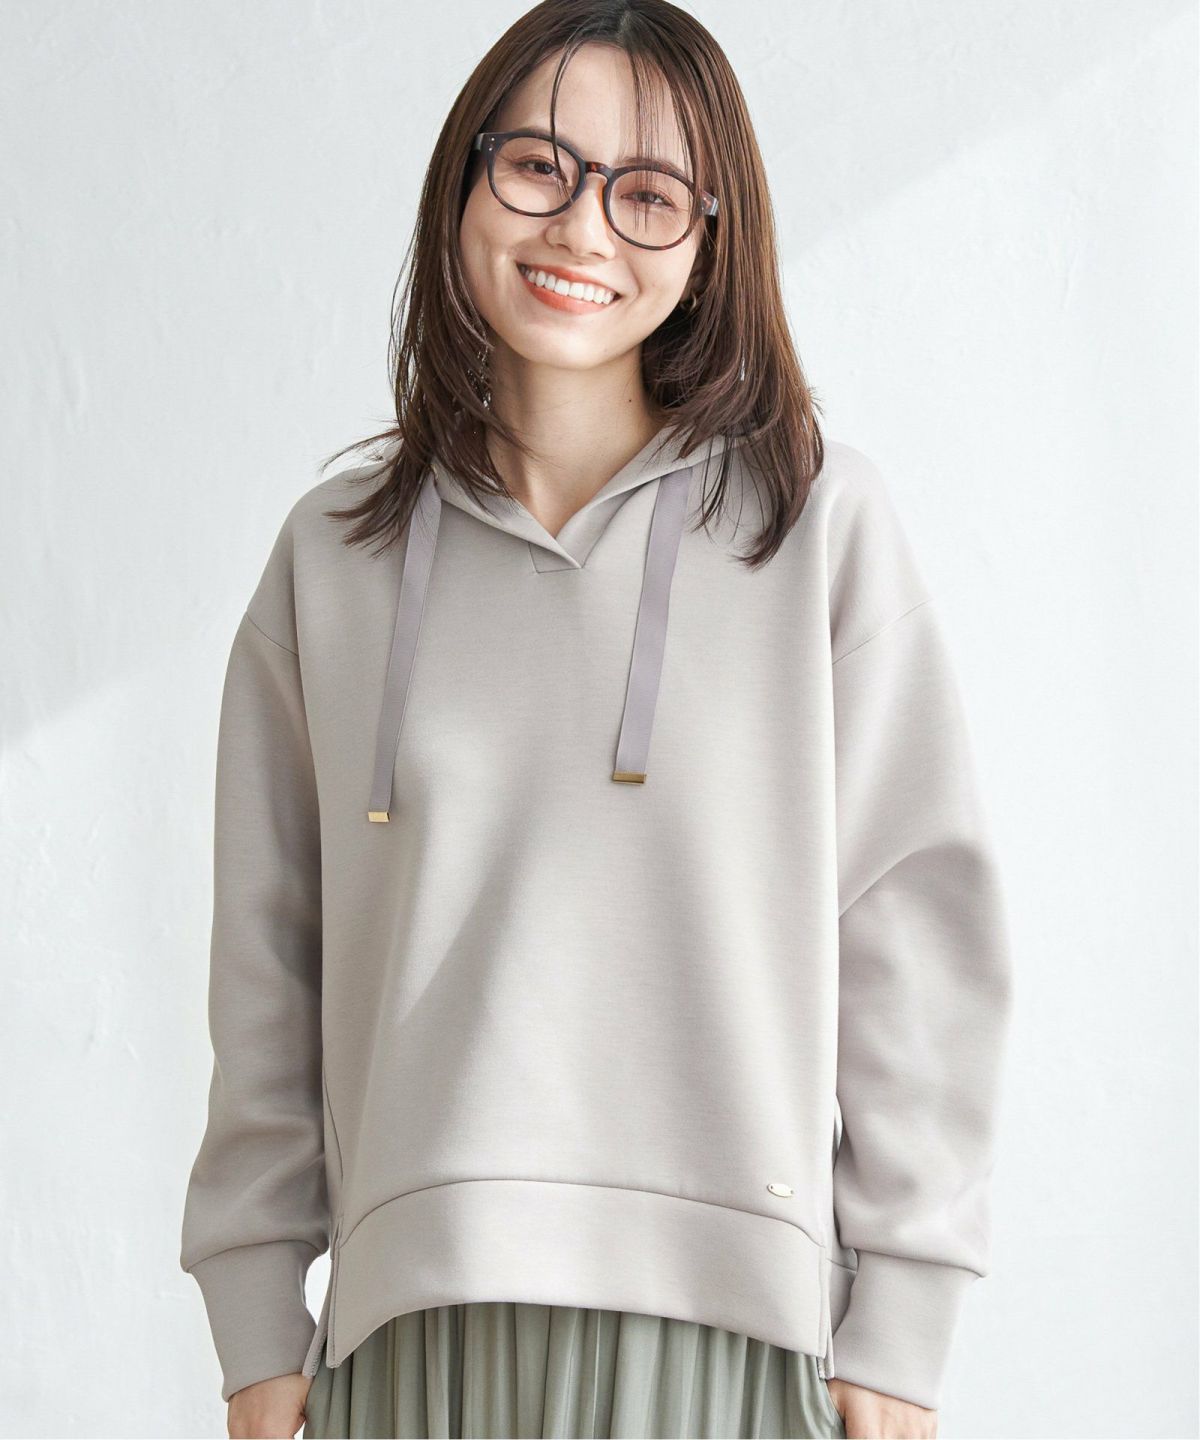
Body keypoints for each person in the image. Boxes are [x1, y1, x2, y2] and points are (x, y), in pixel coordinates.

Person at [179, 3, 1014, 1437]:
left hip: (728, 1327)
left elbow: (913, 931)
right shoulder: (334, 555)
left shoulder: (816, 525)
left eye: (648, 194)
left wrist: (903, 1316)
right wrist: (256, 1317)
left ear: (710, 239)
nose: (581, 229)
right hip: (413, 1329)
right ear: (465, 182)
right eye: (538, 168)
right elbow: (267, 960)